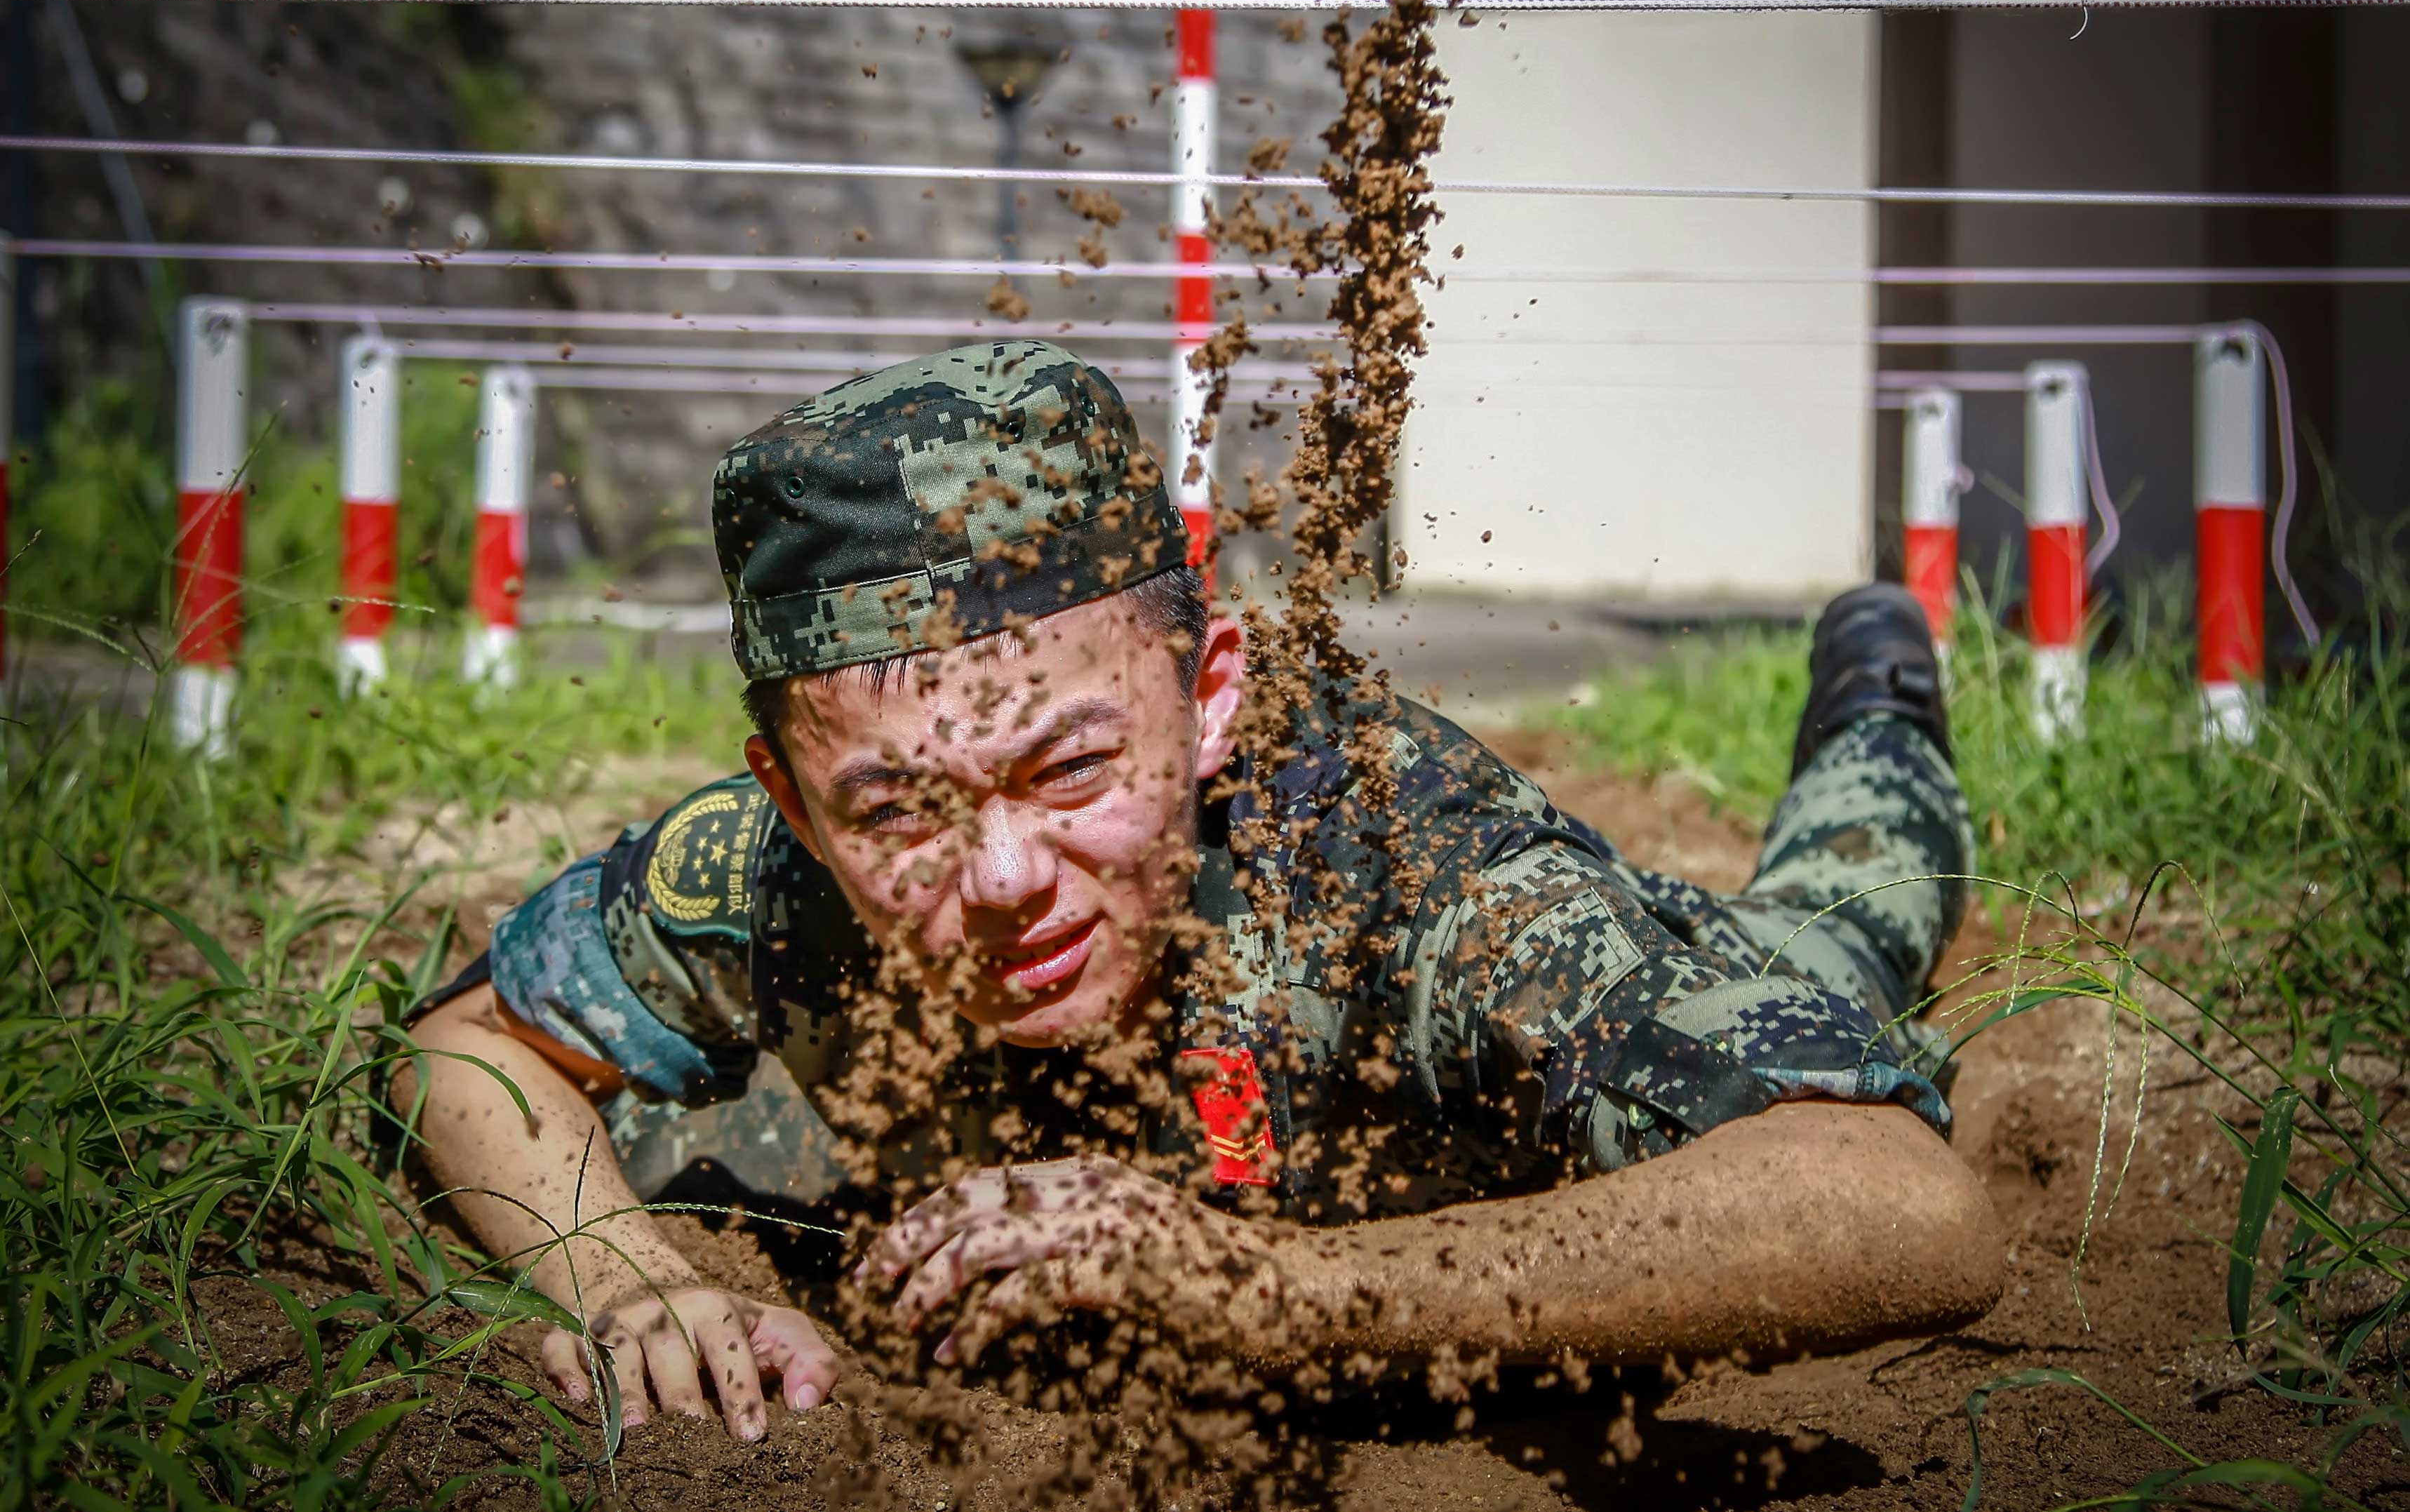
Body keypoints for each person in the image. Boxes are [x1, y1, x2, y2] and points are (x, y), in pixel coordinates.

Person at [394, 340, 2003, 1444]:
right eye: (896, 806)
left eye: (1071, 770)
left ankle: (1873, 684)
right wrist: (628, 1281)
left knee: (1841, 914)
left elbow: (1898, 1208)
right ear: (794, 800)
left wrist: (1270, 1288)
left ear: (1210, 693)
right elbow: (472, 1042)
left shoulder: (1410, 865)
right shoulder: (768, 865)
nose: (1003, 878)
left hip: (1609, 1020)